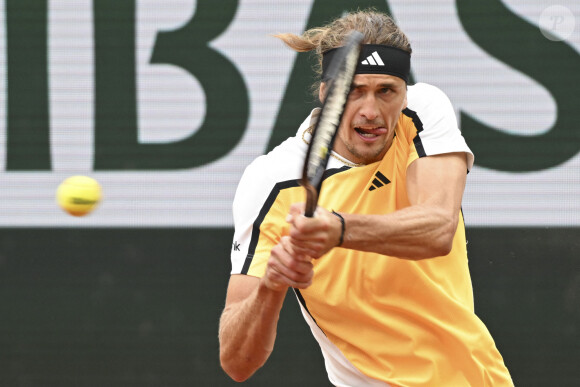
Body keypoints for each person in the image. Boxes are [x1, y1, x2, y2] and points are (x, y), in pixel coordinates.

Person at [219, 9, 513, 387]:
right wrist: (271, 285)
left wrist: (338, 228)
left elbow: (438, 229)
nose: (370, 111)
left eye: (385, 91)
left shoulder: (422, 112)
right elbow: (236, 361)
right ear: (326, 94)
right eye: (353, 91)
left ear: (404, 92)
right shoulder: (272, 181)